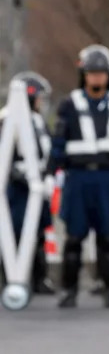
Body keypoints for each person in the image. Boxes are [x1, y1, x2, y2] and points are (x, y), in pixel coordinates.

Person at [48, 45, 109, 309]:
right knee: (74, 238)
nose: (96, 78)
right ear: (84, 75)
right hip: (77, 178)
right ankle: (69, 290)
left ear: (108, 75)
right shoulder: (69, 105)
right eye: (92, 73)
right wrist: (51, 173)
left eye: (101, 73)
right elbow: (58, 143)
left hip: (108, 180)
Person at [0, 71, 56, 295]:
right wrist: (20, 174)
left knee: (38, 232)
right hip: (17, 189)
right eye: (39, 97)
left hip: (37, 186)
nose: (41, 103)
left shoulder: (38, 120)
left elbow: (47, 151)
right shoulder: (6, 119)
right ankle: (12, 279)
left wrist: (48, 175)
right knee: (12, 233)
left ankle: (38, 278)